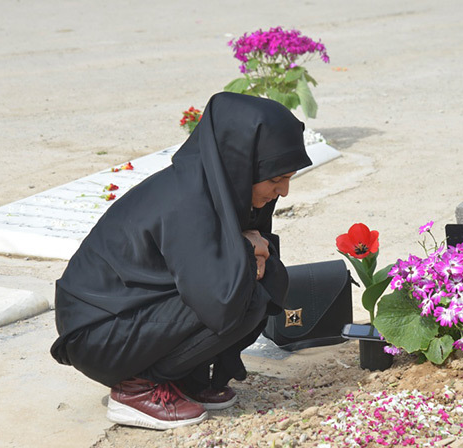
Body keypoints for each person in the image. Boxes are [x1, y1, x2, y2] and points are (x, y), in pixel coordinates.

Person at [50, 92, 312, 430]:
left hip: (127, 318)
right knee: (242, 294)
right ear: (240, 164)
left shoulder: (219, 187)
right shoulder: (189, 199)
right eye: (276, 180)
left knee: (256, 284)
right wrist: (246, 252)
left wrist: (249, 254)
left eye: (288, 177)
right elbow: (219, 297)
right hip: (98, 335)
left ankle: (180, 379)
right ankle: (135, 388)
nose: (285, 192)